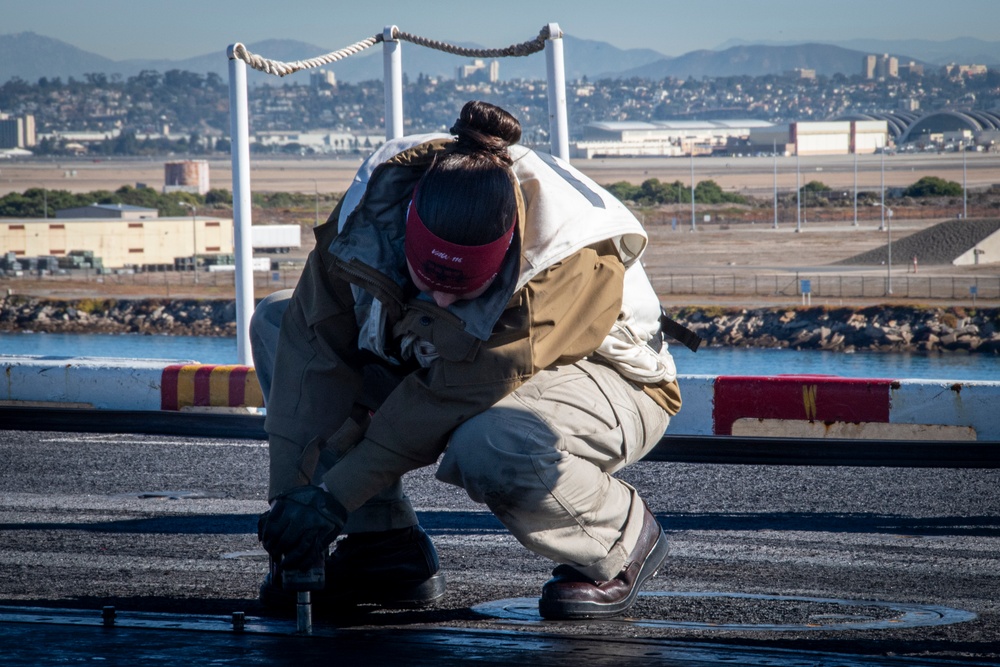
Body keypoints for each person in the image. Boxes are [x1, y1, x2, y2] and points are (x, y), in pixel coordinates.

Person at [252, 100, 682, 620]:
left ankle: (618, 538)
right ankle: (382, 549)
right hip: (453, 358)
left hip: (608, 378)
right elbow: (311, 344)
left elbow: (453, 392)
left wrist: (332, 499)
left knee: (494, 439)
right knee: (277, 321)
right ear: (408, 225)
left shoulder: (565, 257)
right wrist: (291, 497)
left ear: (505, 253)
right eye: (428, 279)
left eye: (466, 288)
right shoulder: (372, 208)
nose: (443, 299)